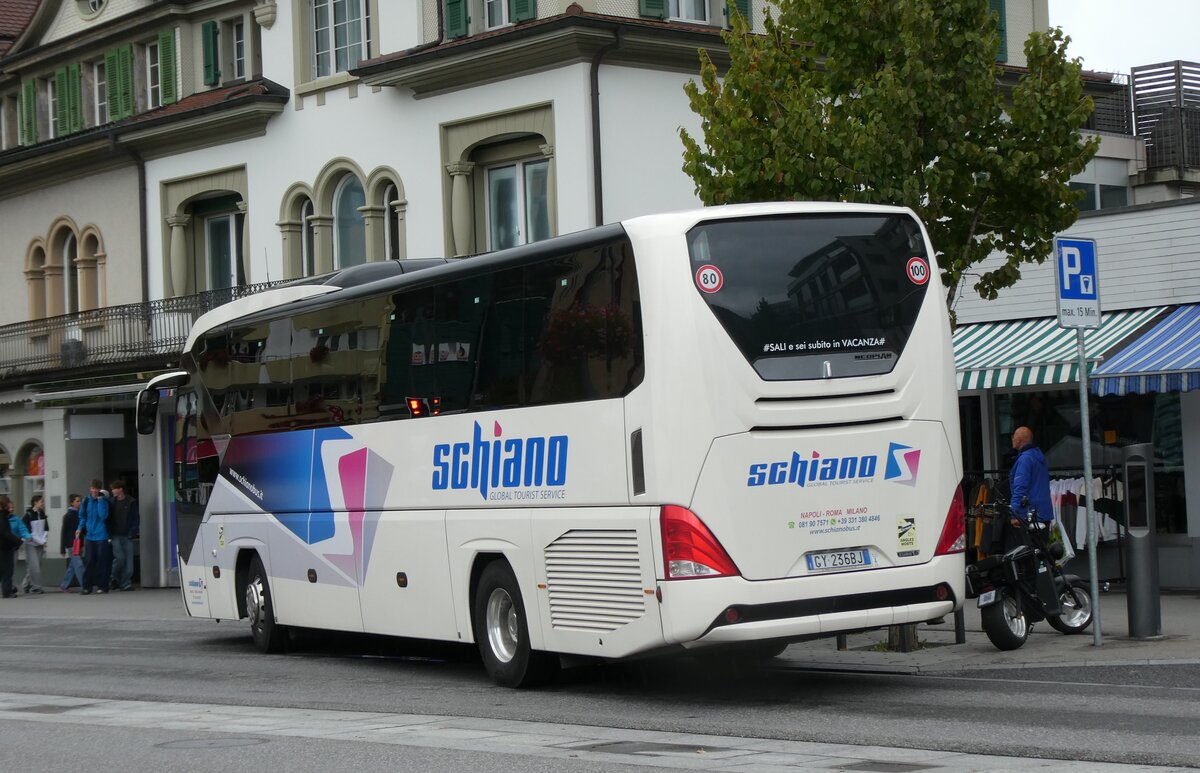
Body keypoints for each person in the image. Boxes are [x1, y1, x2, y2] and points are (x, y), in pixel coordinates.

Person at [1007, 426, 1055, 550]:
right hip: (1043, 512)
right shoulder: (1039, 457)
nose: (1012, 438)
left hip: (1030, 514)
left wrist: (1015, 514)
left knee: (1029, 554)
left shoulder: (1025, 459)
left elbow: (1020, 488)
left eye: (1014, 436)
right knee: (1041, 552)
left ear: (1020, 440)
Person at [76, 479, 112, 595]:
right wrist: (79, 528)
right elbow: (82, 516)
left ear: (99, 489)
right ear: (90, 488)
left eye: (96, 488)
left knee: (102, 561)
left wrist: (101, 501)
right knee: (89, 561)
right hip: (90, 536)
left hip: (101, 535)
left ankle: (102, 586)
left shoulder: (104, 502)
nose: (94, 491)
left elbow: (103, 516)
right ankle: (87, 587)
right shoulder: (86, 501)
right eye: (93, 488)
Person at [108, 480, 139, 592]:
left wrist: (133, 531)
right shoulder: (111, 502)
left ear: (120, 489)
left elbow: (136, 518)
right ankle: (113, 577)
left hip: (127, 536)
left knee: (129, 566)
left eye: (114, 489)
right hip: (115, 535)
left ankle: (125, 584)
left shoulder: (131, 502)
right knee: (120, 558)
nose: (112, 491)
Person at [20, 494, 49, 594]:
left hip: (40, 543)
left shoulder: (42, 514)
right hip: (30, 543)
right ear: (35, 502)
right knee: (35, 566)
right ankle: (36, 587)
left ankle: (26, 584)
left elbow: (46, 529)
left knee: (35, 566)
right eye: (42, 501)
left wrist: (43, 540)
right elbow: (29, 532)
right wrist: (42, 541)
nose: (43, 503)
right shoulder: (28, 515)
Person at [59, 494, 86, 592]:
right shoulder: (68, 516)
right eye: (77, 501)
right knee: (78, 564)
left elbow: (83, 529)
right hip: (71, 544)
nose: (79, 503)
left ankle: (64, 585)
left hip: (79, 543)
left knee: (72, 566)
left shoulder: (81, 514)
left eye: (80, 501)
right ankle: (85, 585)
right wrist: (62, 548)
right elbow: (63, 532)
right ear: (72, 503)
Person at [0, 495, 23, 598]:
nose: (9, 506)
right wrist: (17, 541)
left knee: (3, 570)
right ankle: (7, 591)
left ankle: (8, 589)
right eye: (7, 504)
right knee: (7, 570)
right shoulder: (2, 517)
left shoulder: (4, 516)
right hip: (4, 547)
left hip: (4, 546)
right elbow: (5, 533)